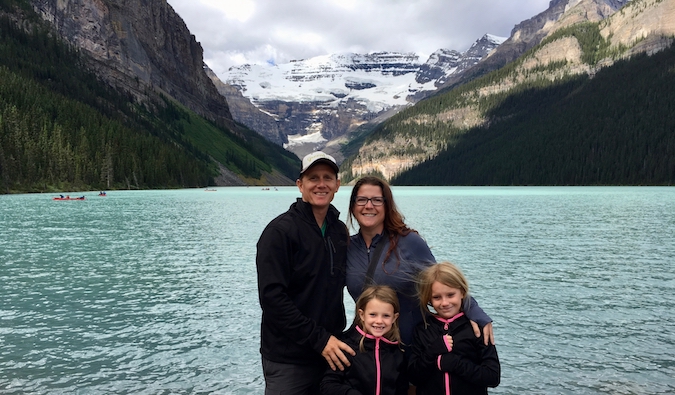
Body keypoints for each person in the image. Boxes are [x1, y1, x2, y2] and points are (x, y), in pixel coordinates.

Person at [345, 176, 494, 348]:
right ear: (353, 206)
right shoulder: (348, 247)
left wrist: (474, 311)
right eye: (361, 200)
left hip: (411, 348)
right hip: (369, 351)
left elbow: (441, 283)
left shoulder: (409, 242)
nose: (369, 205)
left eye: (377, 200)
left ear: (387, 205)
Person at [256, 151, 355, 395]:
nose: (321, 184)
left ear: (337, 185)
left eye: (328, 178)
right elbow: (272, 299)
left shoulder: (338, 231)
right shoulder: (280, 232)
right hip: (289, 359)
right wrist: (319, 340)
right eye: (313, 178)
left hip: (330, 355)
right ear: (300, 185)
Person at [408, 262, 500, 395]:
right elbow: (414, 377)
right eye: (437, 297)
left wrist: (456, 364)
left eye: (450, 295)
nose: (445, 303)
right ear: (429, 299)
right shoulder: (422, 330)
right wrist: (432, 352)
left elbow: (492, 377)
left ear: (462, 293)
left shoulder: (477, 330)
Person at [321, 285, 408, 395]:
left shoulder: (397, 354)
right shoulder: (346, 347)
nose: (379, 321)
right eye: (373, 315)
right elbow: (328, 385)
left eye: (386, 315)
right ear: (362, 315)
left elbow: (401, 390)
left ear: (394, 318)